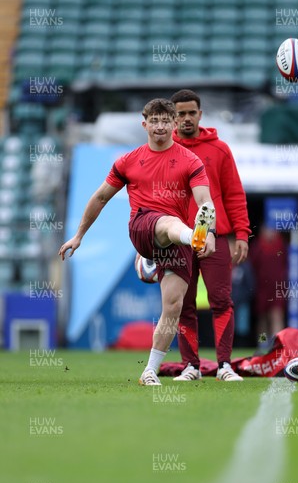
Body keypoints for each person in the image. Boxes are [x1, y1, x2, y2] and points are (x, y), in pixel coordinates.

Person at [59, 98, 216, 385]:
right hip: (144, 225)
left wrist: (212, 231)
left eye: (165, 120)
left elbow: (205, 202)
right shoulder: (129, 161)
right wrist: (79, 234)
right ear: (144, 125)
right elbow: (101, 197)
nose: (159, 126)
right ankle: (184, 239)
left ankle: (150, 370)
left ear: (174, 124)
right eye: (154, 121)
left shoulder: (191, 161)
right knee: (170, 224)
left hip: (178, 240)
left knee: (173, 305)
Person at [170, 89, 251, 382]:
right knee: (182, 303)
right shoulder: (164, 149)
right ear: (173, 117)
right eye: (181, 114)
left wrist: (242, 233)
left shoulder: (220, 149)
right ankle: (191, 366)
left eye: (192, 112)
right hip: (177, 238)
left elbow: (233, 194)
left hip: (215, 237)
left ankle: (224, 365)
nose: (187, 118)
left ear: (200, 114)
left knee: (221, 300)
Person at [249, 224, 287, 350]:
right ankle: (263, 342)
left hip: (277, 287)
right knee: (262, 317)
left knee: (276, 314)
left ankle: (278, 343)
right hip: (261, 287)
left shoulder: (280, 245)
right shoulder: (257, 246)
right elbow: (252, 266)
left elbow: (286, 264)